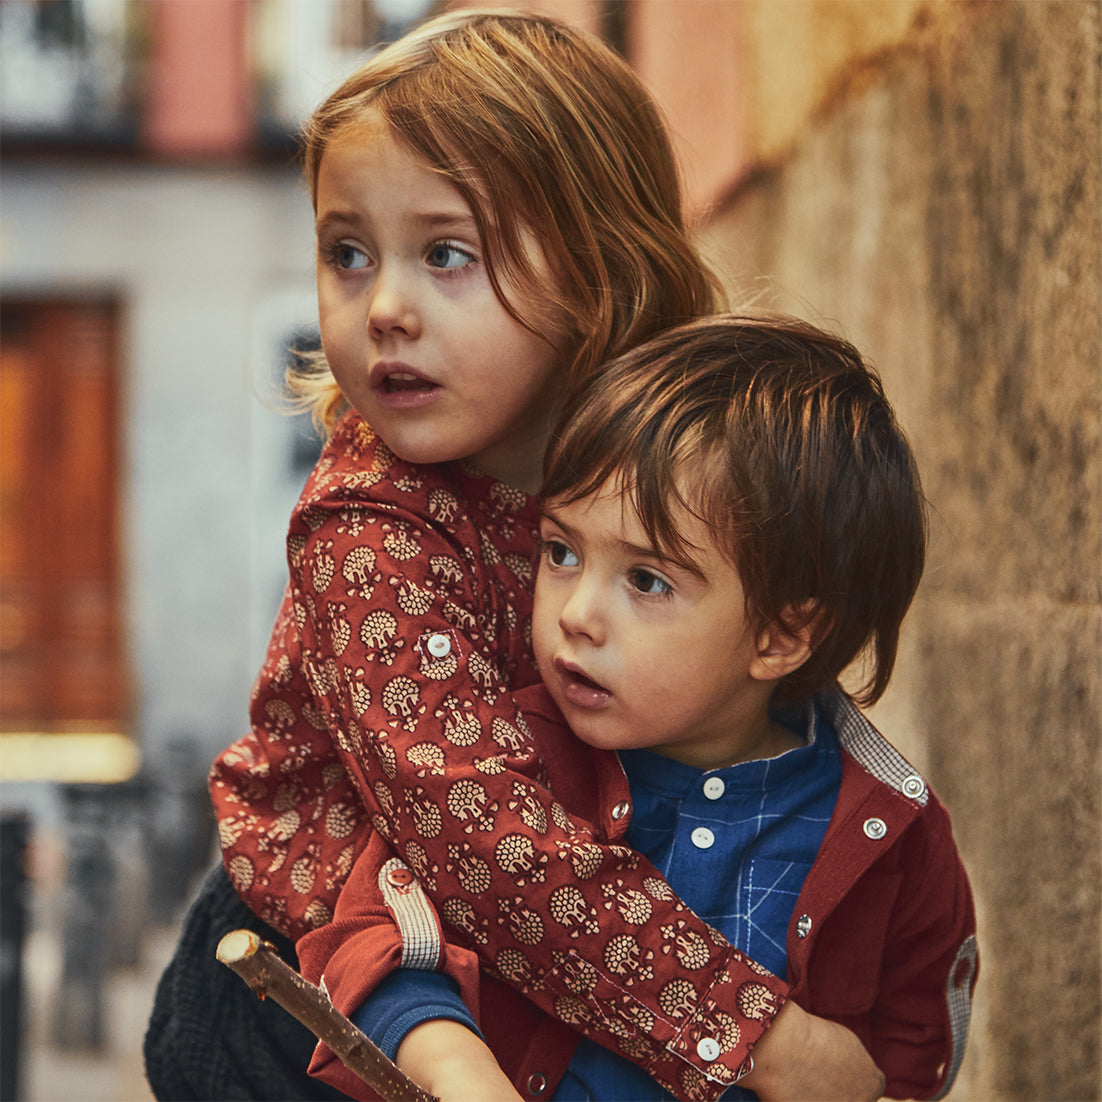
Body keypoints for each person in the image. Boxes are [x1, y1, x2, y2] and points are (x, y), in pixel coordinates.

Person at [146, 11, 881, 1102]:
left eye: (446, 254)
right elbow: (487, 844)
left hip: (540, 978)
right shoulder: (371, 526)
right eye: (348, 252)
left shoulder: (658, 472)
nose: (384, 308)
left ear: (597, 268)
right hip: (305, 1006)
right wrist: (758, 1036)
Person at [303, 313, 978, 1102]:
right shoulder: (507, 763)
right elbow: (380, 946)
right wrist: (463, 1077)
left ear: (782, 635)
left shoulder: (887, 838)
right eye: (561, 552)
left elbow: (905, 1060)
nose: (576, 613)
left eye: (647, 581)